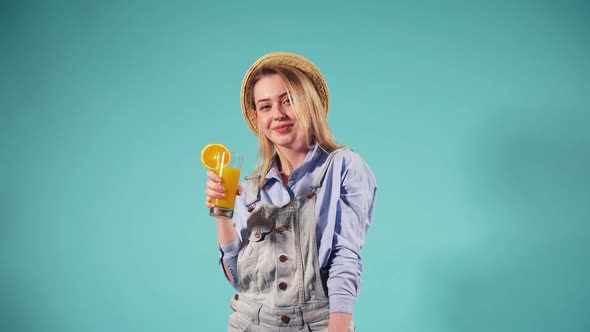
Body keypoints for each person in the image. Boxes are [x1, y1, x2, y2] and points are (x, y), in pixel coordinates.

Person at [204, 52, 377, 331]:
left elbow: (345, 256)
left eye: (288, 100)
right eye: (266, 106)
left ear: (309, 103)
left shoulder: (344, 166)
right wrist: (221, 215)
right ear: (257, 118)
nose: (278, 115)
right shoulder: (250, 186)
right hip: (249, 323)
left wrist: (340, 326)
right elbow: (239, 279)